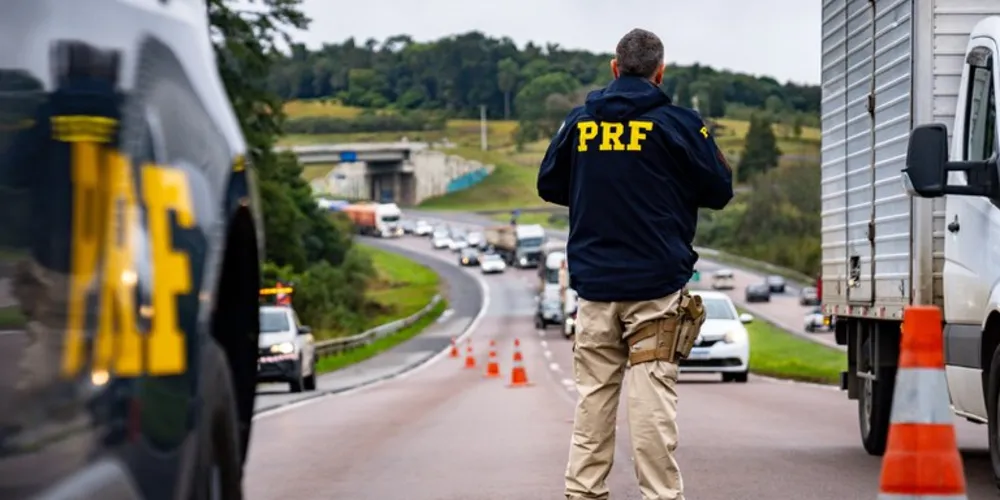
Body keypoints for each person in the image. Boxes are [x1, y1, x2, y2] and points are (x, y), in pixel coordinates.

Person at [536, 28, 734, 500]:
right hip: (656, 288)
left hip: (595, 287)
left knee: (593, 401)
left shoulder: (580, 122)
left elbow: (549, 183)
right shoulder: (680, 124)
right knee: (651, 406)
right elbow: (720, 190)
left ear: (614, 68)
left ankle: (583, 493)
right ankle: (660, 496)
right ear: (659, 73)